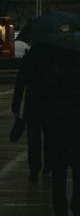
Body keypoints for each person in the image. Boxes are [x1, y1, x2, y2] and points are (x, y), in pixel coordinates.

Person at [34, 42, 80, 216]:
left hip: (56, 127)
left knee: (59, 172)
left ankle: (60, 213)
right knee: (78, 167)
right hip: (77, 125)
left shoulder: (48, 70)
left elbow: (41, 100)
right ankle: (77, 207)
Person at [11, 44, 47, 182]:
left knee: (33, 140)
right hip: (49, 104)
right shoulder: (51, 59)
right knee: (49, 136)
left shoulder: (28, 60)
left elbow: (20, 84)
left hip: (32, 105)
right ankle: (48, 163)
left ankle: (34, 168)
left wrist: (15, 105)